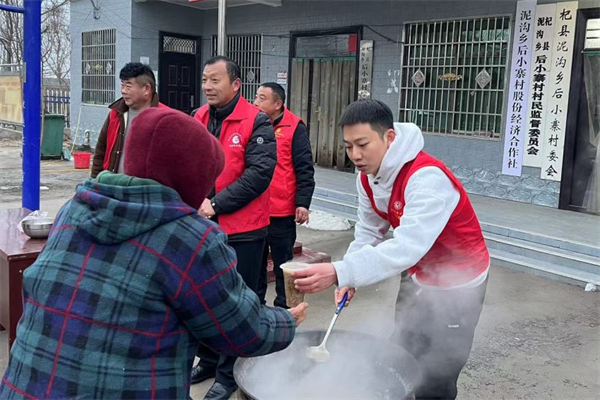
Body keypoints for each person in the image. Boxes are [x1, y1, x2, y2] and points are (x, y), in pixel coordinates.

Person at [0, 108, 308, 400]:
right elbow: (243, 331)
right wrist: (286, 322)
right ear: (194, 178)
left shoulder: (75, 210)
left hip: (24, 389)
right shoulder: (190, 239)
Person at [293, 100, 489, 400]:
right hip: (417, 274)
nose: (355, 155)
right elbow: (369, 231)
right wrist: (349, 276)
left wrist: (339, 271)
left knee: (438, 374)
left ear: (389, 137)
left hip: (458, 282)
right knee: (402, 351)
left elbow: (408, 245)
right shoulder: (367, 178)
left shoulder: (427, 179)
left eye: (362, 144)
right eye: (348, 146)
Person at [191, 56, 277, 400]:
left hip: (244, 230)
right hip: (203, 226)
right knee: (204, 297)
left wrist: (216, 204)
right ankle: (209, 360)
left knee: (237, 302)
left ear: (236, 84)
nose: (208, 86)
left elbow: (259, 174)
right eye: (205, 80)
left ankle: (229, 374)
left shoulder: (256, 120)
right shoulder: (198, 117)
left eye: (215, 80)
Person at [253, 82, 315, 308]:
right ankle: (256, 307)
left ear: (278, 104)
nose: (255, 103)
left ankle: (285, 310)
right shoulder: (254, 124)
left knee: (283, 265)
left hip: (282, 212)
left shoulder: (295, 127)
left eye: (261, 98)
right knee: (255, 266)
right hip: (256, 209)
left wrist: (302, 203)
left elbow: (304, 168)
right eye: (256, 97)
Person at [91, 62, 167, 178]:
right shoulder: (115, 114)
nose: (123, 91)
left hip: (147, 187)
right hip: (113, 184)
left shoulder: (166, 118)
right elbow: (101, 151)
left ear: (146, 89)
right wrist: (94, 180)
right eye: (122, 85)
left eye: (128, 86)